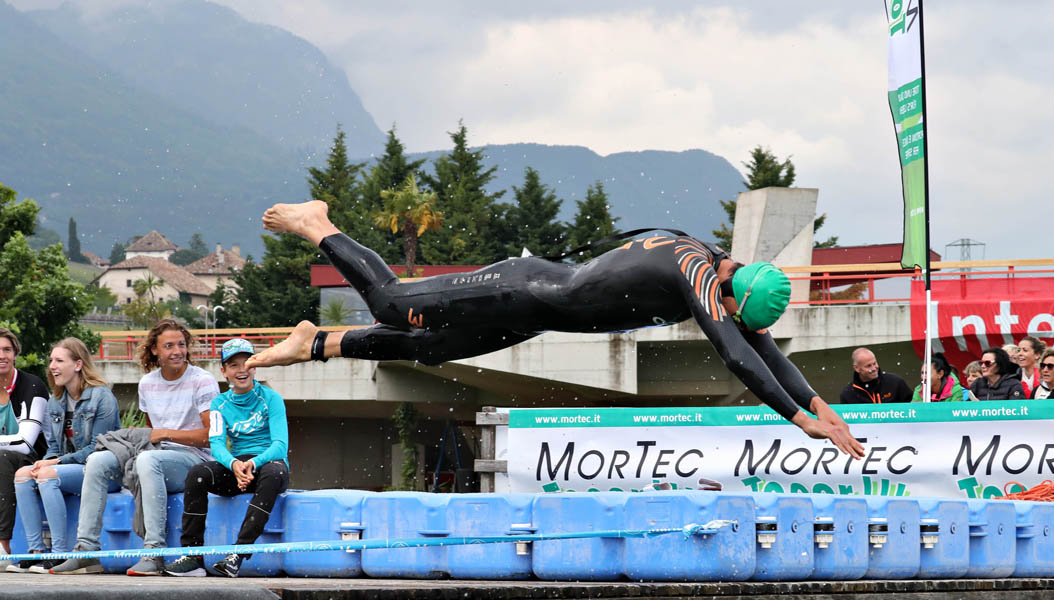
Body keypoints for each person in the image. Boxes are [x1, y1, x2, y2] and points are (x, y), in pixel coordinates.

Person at [246, 200, 863, 458]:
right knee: (388, 303)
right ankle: (317, 224)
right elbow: (736, 355)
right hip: (518, 287)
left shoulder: (724, 280)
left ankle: (316, 342)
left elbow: (761, 351)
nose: (724, 318)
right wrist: (799, 420)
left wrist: (816, 404)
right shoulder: (693, 270)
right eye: (730, 310)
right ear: (734, 290)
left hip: (529, 316)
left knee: (430, 349)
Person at [52, 319, 220, 575]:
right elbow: (150, 436)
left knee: (146, 461)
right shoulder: (147, 384)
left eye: (181, 345)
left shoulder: (203, 380)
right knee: (97, 461)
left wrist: (165, 434)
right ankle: (87, 550)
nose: (177, 351)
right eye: (169, 345)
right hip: (157, 457)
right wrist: (157, 437)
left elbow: (212, 436)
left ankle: (154, 552)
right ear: (154, 350)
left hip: (194, 460)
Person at [165, 338, 290, 579]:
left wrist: (253, 464)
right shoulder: (219, 403)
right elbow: (217, 445)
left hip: (269, 466)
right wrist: (235, 465)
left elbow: (280, 446)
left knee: (274, 472)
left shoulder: (272, 398)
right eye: (233, 365)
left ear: (256, 367)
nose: (242, 370)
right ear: (224, 371)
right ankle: (193, 556)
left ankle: (237, 554)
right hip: (239, 466)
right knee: (198, 474)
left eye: (247, 363)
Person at [7, 339, 120, 573]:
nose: (52, 366)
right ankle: (36, 552)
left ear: (78, 364)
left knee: (47, 474)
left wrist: (55, 462)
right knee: (23, 475)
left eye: (59, 361)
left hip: (103, 472)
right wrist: (45, 461)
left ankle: (59, 553)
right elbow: (56, 448)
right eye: (51, 361)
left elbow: (99, 449)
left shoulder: (102, 397)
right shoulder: (57, 401)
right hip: (70, 470)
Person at [0, 329, 49, 561]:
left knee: (2, 460)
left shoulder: (32, 385)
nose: (2, 355)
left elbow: (25, 443)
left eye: (6, 350)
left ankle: (3, 546)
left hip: (36, 456)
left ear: (15, 354)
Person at [839, 347, 912, 405]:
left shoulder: (896, 382)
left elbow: (914, 408)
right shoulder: (847, 394)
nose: (874, 368)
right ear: (856, 368)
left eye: (875, 363)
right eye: (868, 366)